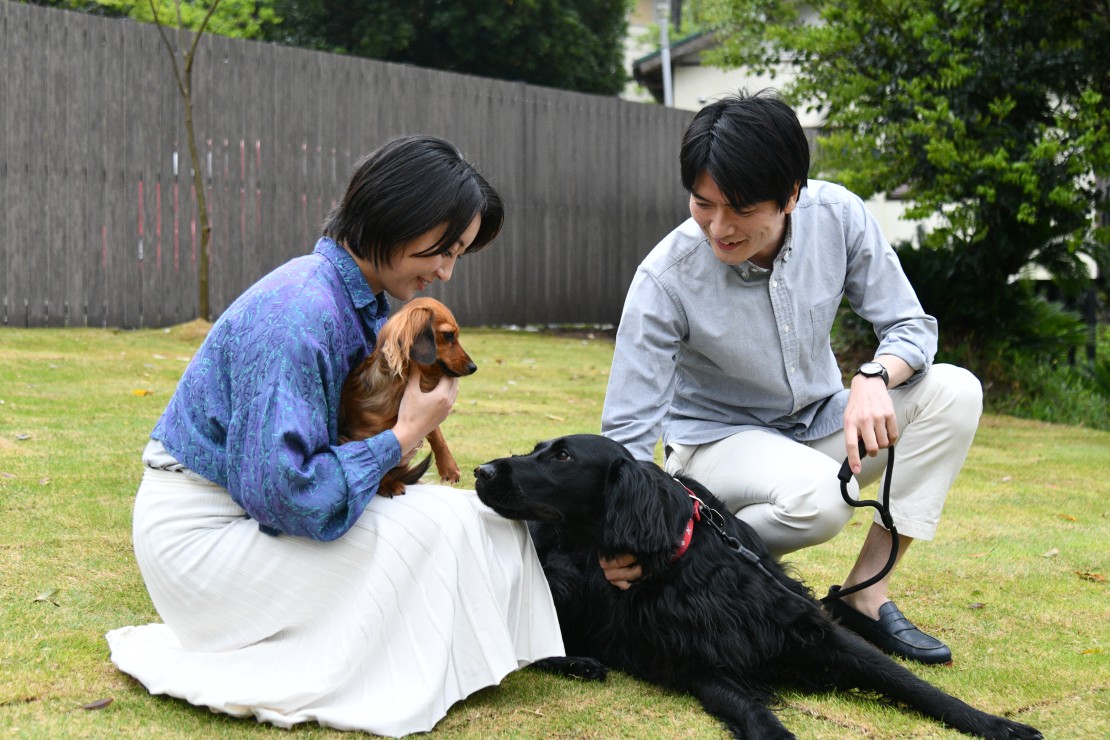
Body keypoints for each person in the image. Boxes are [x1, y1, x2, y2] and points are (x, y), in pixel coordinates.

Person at [106, 135, 564, 735]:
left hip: (250, 515)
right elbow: (288, 497)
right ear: (399, 218)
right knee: (433, 530)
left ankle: (464, 663)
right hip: (205, 544)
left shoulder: (366, 304)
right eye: (444, 250)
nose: (446, 271)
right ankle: (387, 670)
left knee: (469, 518)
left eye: (458, 255)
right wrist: (404, 436)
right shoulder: (302, 310)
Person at [600, 89, 982, 665]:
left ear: (791, 196)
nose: (719, 227)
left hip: (820, 422)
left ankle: (863, 595)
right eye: (703, 203)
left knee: (955, 391)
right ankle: (689, 567)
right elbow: (627, 428)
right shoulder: (665, 277)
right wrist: (624, 537)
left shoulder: (839, 216)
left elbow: (910, 326)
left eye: (741, 209)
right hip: (715, 445)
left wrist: (874, 377)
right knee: (822, 501)